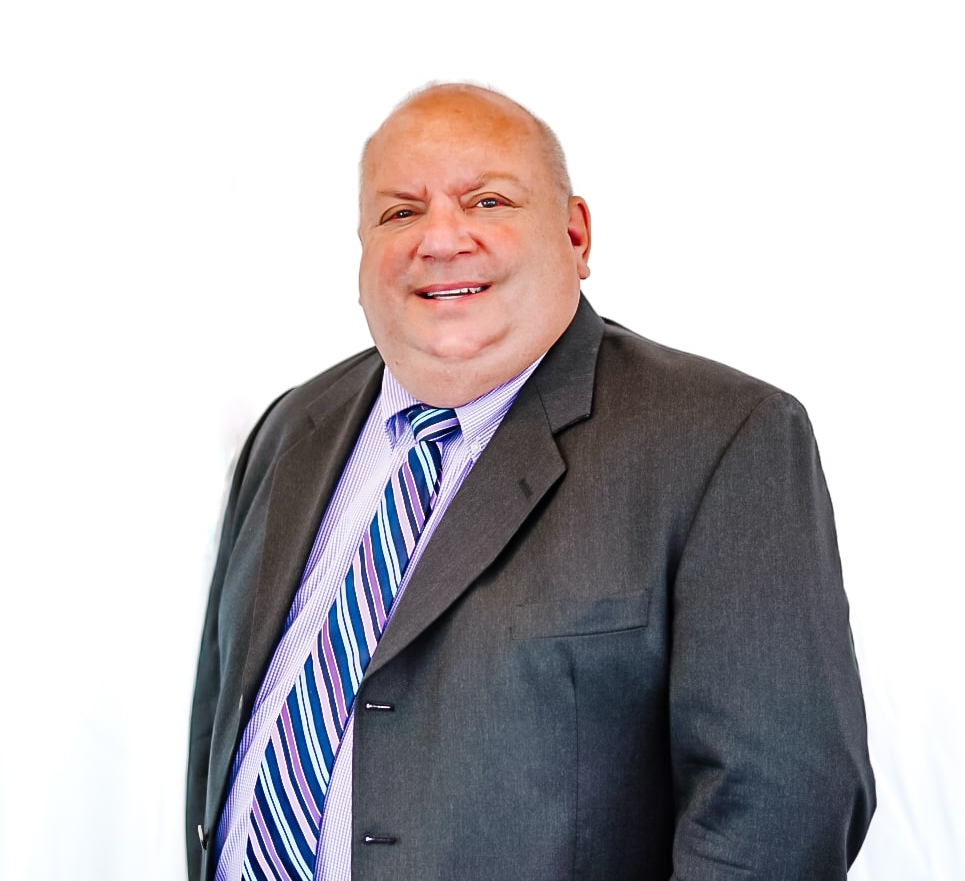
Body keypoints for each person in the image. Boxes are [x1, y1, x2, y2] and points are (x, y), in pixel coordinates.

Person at [187, 83, 875, 881]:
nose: (440, 239)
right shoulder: (290, 430)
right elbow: (221, 725)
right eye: (399, 212)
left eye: (487, 201)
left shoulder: (720, 438)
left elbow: (780, 808)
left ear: (575, 234)